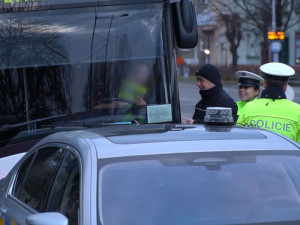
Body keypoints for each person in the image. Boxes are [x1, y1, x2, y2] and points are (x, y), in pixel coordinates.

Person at [237, 62, 300, 143]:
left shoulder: (249, 108)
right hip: (287, 155)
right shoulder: (297, 111)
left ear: (264, 84)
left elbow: (239, 140)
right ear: (286, 86)